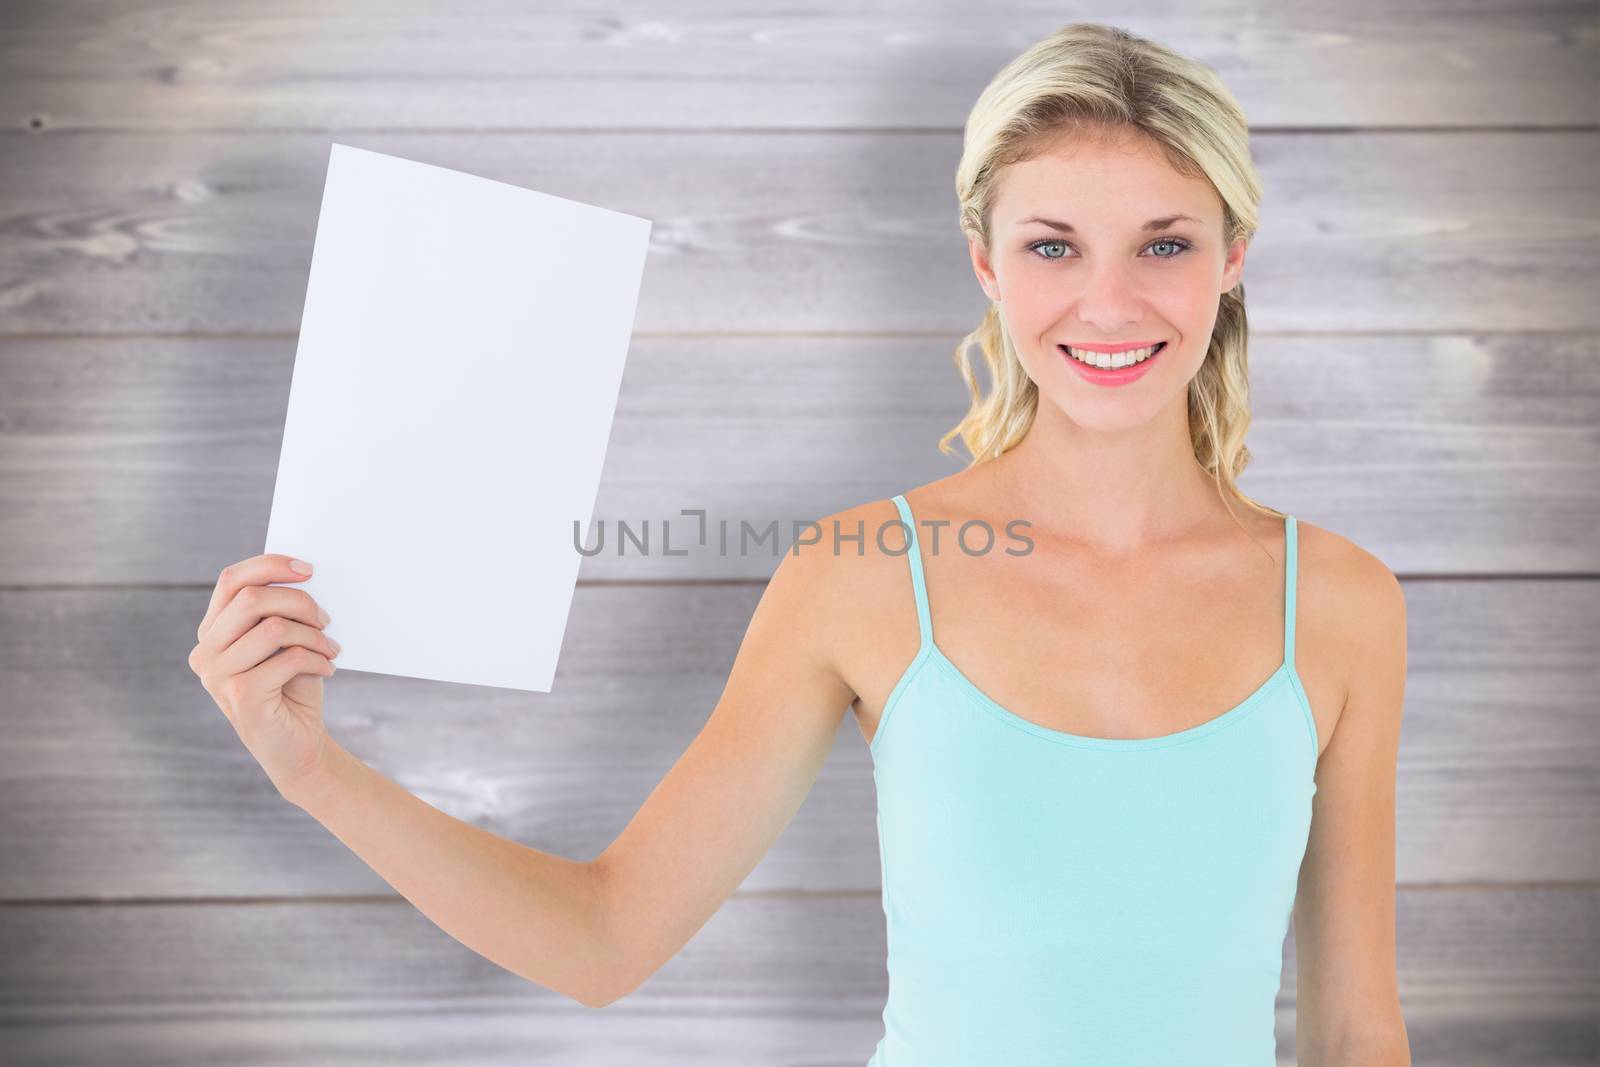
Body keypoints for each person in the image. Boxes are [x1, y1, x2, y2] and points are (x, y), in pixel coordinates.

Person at [188, 21, 1410, 1066]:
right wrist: (311, 768)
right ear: (985, 263)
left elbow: (1358, 1035)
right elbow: (607, 936)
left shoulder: (1340, 602)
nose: (1107, 302)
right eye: (1052, 246)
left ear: (1232, 256)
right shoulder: (864, 575)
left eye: (1163, 242)